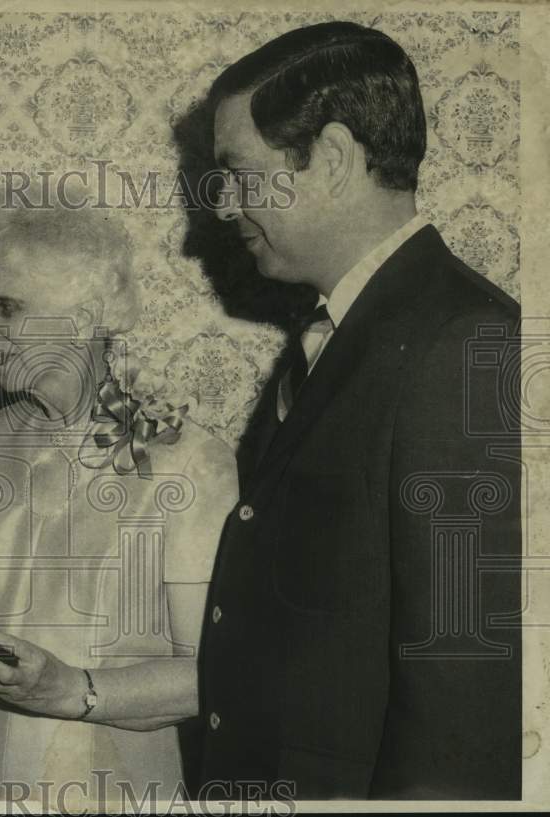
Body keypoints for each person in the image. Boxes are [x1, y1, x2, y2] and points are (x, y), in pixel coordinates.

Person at [198, 21, 521, 799]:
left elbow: (462, 693)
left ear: (334, 159)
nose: (224, 206)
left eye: (241, 174)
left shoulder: (461, 339)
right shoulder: (351, 328)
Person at [0, 204, 239, 806]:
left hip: (112, 784)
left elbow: (217, 676)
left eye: (9, 308)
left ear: (85, 317)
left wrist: (76, 689)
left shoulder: (187, 460)